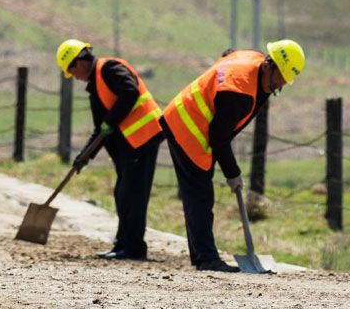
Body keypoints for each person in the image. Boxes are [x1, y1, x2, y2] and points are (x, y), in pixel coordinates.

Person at [160, 40, 305, 272]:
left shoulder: (253, 60)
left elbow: (228, 54)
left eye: (285, 80)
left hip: (189, 120)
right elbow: (219, 137)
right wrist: (233, 173)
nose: (281, 84)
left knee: (197, 194)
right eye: (279, 77)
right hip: (188, 127)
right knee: (200, 196)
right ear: (269, 64)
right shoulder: (238, 93)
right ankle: (207, 259)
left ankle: (200, 255)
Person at [57, 39, 163, 260]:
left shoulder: (110, 69)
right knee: (123, 193)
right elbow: (100, 129)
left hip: (143, 138)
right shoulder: (95, 84)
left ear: (81, 61)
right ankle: (123, 244)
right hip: (130, 144)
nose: (74, 76)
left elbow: (130, 92)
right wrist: (84, 157)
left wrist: (110, 121)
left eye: (71, 70)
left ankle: (133, 247)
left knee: (132, 194)